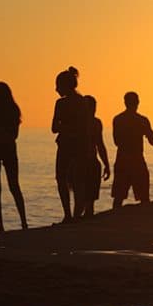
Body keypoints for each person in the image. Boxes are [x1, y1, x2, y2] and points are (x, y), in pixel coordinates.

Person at [0, 82, 28, 232]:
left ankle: (4, 226)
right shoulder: (8, 110)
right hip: (4, 148)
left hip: (0, 148)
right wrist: (2, 131)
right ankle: (21, 223)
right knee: (10, 187)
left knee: (2, 188)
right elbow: (10, 134)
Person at [51, 66, 90, 224]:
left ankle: (70, 215)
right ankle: (73, 215)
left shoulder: (64, 103)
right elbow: (84, 127)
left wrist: (65, 127)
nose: (56, 89)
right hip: (75, 145)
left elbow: (55, 127)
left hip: (70, 145)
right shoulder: (80, 102)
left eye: (58, 86)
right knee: (73, 180)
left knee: (67, 179)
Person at [112, 91, 153, 208]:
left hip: (123, 159)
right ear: (137, 103)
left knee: (118, 197)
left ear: (125, 103)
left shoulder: (118, 119)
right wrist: (146, 132)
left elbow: (116, 141)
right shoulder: (142, 120)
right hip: (136, 160)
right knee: (144, 197)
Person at [82, 95, 110, 218]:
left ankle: (85, 216)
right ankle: (81, 216)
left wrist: (107, 164)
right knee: (84, 196)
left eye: (94, 107)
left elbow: (100, 144)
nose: (94, 110)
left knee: (90, 197)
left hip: (92, 162)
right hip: (82, 162)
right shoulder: (82, 123)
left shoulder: (96, 123)